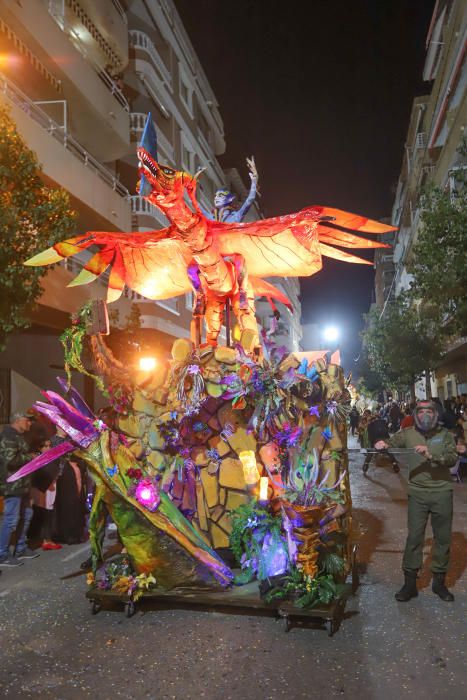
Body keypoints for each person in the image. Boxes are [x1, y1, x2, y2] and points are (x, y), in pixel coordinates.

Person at [375, 399, 460, 602]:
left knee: (442, 539)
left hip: (442, 493)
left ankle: (439, 583)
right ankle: (410, 584)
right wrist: (382, 443)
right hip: (417, 494)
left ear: (436, 413)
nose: (425, 414)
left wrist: (431, 455)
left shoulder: (445, 435)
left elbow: (452, 458)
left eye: (429, 410)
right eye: (420, 411)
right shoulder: (408, 433)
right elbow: (391, 443)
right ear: (415, 414)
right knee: (414, 538)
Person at [0, 411, 40, 566]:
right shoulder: (8, 437)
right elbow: (10, 461)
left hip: (22, 484)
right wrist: (30, 457)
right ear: (17, 421)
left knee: (27, 514)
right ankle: (2, 554)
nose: (29, 423)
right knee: (11, 519)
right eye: (27, 420)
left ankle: (21, 548)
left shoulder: (18, 436)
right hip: (13, 485)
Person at [29, 439, 62, 551]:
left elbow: (57, 471)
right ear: (39, 448)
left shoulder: (52, 458)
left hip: (51, 487)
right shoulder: (36, 459)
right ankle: (45, 540)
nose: (48, 448)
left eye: (49, 445)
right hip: (42, 488)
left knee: (49, 512)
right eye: (45, 446)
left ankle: (47, 539)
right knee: (44, 512)